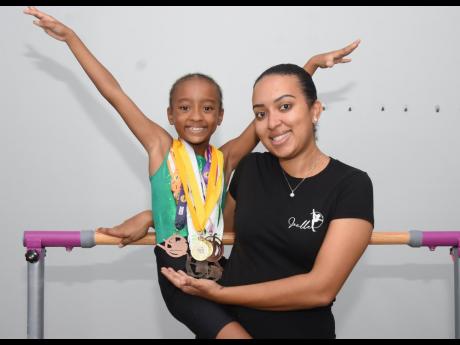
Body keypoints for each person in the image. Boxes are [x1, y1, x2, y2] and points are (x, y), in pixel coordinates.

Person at [24, 6, 361, 339]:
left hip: (217, 274)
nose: (196, 116)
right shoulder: (160, 147)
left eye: (207, 108)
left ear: (221, 116)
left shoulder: (226, 159)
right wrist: (71, 38)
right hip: (180, 282)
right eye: (184, 108)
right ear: (170, 115)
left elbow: (270, 116)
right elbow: (114, 93)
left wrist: (310, 66)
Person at [161, 63, 374, 338]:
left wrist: (224, 294)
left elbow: (321, 289)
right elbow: (207, 227)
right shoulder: (250, 169)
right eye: (261, 113)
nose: (272, 123)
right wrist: (151, 218)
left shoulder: (350, 185)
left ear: (315, 110)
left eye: (285, 107)